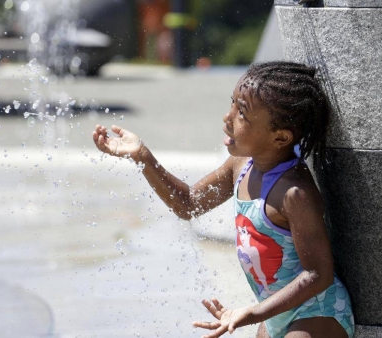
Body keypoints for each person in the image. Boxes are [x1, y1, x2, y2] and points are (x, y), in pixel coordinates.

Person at [92, 61, 354, 338]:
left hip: (316, 314)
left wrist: (253, 313)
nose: (227, 117)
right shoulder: (241, 165)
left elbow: (318, 274)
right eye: (233, 104)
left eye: (242, 113)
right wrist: (143, 157)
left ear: (280, 137)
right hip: (274, 315)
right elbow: (189, 203)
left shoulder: (294, 194)